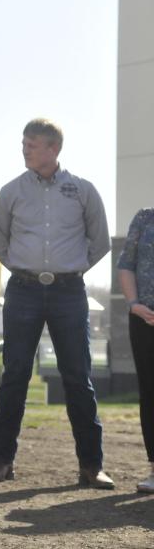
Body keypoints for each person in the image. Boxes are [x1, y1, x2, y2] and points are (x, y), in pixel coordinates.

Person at [0, 118, 112, 488]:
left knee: (78, 377)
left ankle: (92, 466)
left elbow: (99, 242)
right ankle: (2, 462)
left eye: (31, 144)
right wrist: (27, 272)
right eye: (23, 143)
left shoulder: (83, 190)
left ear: (53, 149)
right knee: (15, 376)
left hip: (70, 293)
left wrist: (68, 271)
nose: (24, 150)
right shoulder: (10, 192)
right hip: (22, 292)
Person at [117, 207, 154, 493]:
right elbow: (126, 263)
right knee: (151, 392)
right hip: (145, 318)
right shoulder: (143, 217)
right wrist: (133, 304)